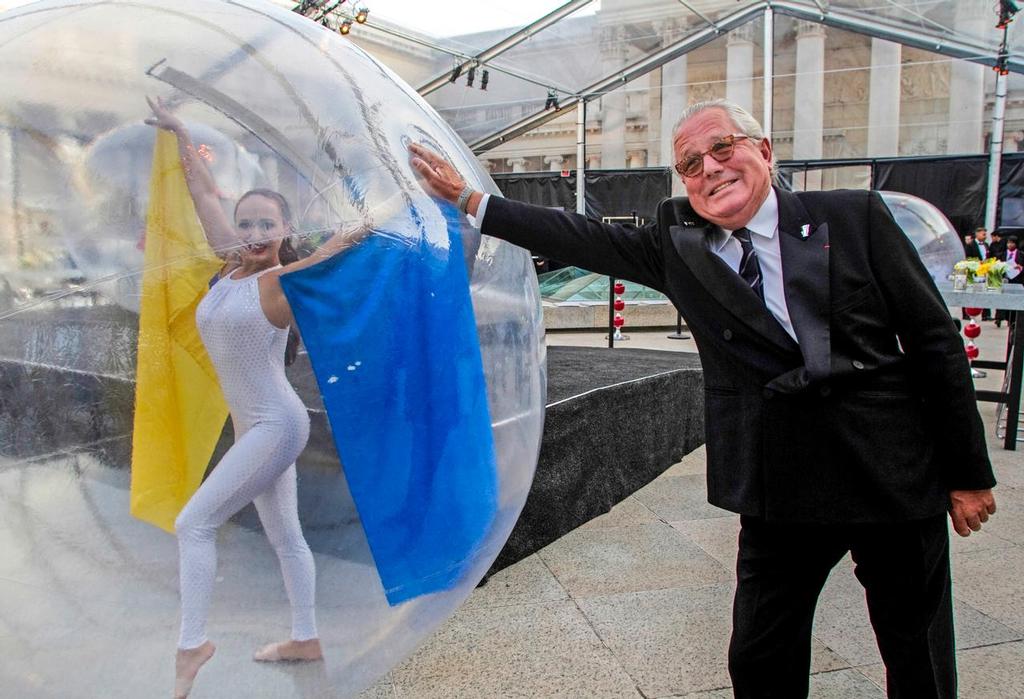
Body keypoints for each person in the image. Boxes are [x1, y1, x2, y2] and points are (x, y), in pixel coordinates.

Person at [410, 98, 997, 698]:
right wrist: (470, 199)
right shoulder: (677, 240)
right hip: (780, 484)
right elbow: (581, 236)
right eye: (691, 163)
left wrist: (968, 473)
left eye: (723, 148)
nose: (710, 168)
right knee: (760, 657)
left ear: (763, 151)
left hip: (890, 472)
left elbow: (935, 345)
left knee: (915, 649)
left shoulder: (854, 217)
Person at [147, 97, 374, 698]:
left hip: (277, 423)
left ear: (284, 233)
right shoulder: (228, 268)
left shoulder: (279, 283)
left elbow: (335, 251)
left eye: (265, 225)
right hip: (257, 426)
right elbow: (204, 198)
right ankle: (306, 637)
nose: (251, 233)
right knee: (286, 537)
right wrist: (178, 131)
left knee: (193, 523)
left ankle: (191, 645)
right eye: (245, 223)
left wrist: (370, 217)